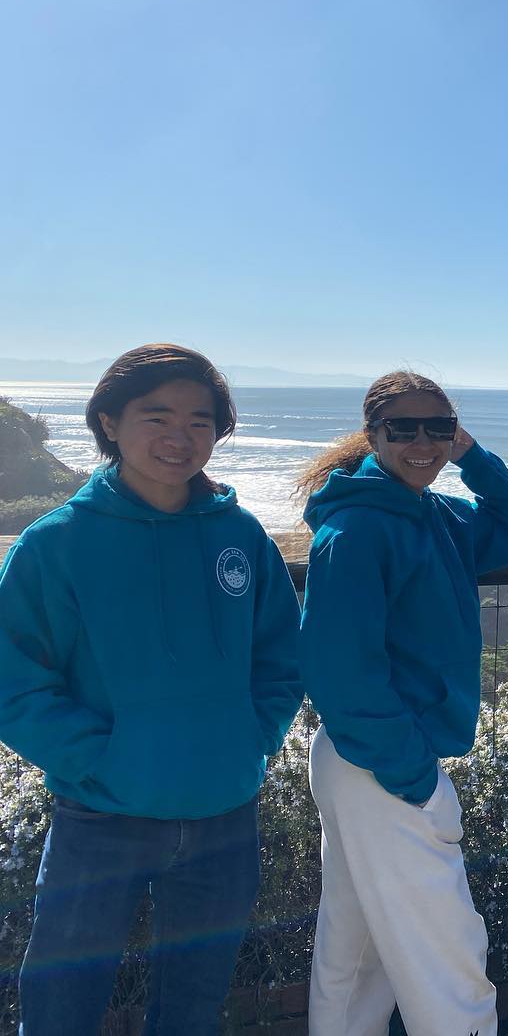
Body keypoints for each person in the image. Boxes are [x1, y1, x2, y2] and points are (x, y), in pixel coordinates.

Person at [0, 344, 303, 1035]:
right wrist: (103, 759)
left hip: (226, 813)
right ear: (109, 422)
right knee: (61, 1007)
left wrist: (248, 743)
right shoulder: (56, 544)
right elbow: (13, 681)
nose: (179, 437)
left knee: (194, 1008)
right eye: (156, 416)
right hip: (102, 820)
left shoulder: (242, 536)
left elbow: (281, 657)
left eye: (200, 421)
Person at [295, 371, 508, 1036]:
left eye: (439, 427)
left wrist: (473, 456)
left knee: (359, 947)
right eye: (404, 428)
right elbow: (340, 672)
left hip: (368, 757)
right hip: (381, 762)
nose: (424, 442)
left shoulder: (435, 515)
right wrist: (416, 780)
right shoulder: (356, 532)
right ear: (374, 436)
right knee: (448, 952)